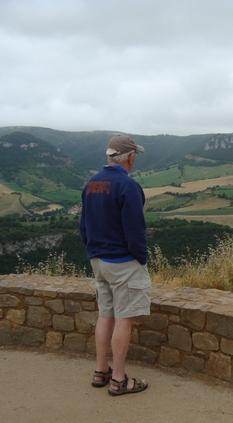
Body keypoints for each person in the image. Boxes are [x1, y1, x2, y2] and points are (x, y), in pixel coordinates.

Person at [80, 134, 150, 396]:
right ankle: (119, 379)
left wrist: (93, 251)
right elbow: (135, 230)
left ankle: (101, 371)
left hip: (98, 260)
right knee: (124, 319)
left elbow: (84, 226)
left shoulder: (91, 183)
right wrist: (140, 258)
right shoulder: (127, 186)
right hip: (122, 262)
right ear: (130, 157)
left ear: (110, 156)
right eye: (136, 156)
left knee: (105, 314)